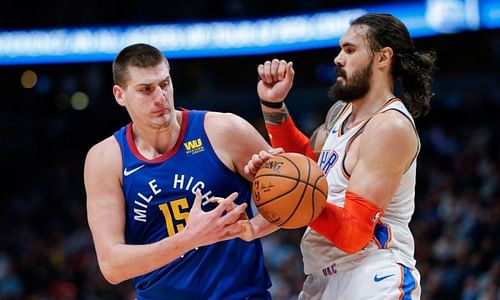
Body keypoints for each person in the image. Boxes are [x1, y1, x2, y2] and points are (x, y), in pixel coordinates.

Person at [245, 13, 436, 299]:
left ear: (383, 57)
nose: (337, 58)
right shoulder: (341, 112)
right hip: (323, 276)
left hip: (372, 274)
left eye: (349, 50)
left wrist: (291, 195)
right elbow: (308, 166)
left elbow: (353, 233)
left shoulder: (389, 126)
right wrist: (273, 106)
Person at [84, 43, 279, 299]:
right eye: (146, 89)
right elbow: (112, 265)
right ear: (120, 95)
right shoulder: (106, 158)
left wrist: (254, 227)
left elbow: (294, 199)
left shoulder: (225, 130)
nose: (160, 97)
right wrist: (189, 239)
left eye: (164, 84)